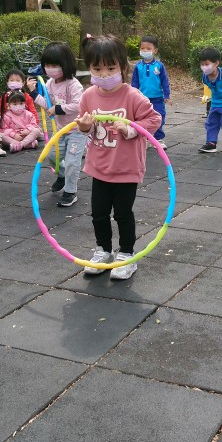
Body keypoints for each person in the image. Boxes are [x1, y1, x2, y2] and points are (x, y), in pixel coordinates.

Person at [76, 36, 162, 280]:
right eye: (97, 69)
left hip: (126, 168)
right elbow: (84, 126)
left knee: (123, 214)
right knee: (99, 213)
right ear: (90, 68)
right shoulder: (88, 96)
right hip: (99, 166)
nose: (104, 74)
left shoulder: (132, 96)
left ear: (123, 67)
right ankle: (103, 250)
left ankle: (126, 254)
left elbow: (154, 119)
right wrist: (84, 127)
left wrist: (130, 128)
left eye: (111, 68)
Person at [34, 41, 84, 207]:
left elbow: (78, 105)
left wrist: (58, 109)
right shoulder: (49, 83)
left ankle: (70, 192)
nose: (50, 69)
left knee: (72, 162)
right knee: (51, 156)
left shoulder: (73, 84)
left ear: (66, 64)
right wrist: (34, 94)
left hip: (76, 130)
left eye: (55, 65)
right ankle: (62, 176)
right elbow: (48, 106)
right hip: (60, 130)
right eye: (47, 65)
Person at [130, 35, 171, 149]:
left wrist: (167, 95)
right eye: (142, 48)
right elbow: (135, 83)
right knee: (142, 118)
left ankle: (158, 138)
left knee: (159, 117)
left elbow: (164, 81)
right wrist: (133, 96)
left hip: (157, 98)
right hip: (142, 99)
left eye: (148, 49)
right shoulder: (138, 66)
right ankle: (145, 138)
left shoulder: (159, 65)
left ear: (155, 50)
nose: (145, 51)